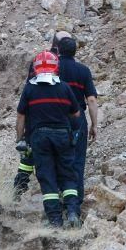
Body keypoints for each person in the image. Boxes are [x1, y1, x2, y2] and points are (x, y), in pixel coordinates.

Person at [16, 51, 82, 228]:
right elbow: (76, 113)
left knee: (47, 176)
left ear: (35, 69)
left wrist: (20, 139)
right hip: (62, 135)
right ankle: (73, 212)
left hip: (39, 137)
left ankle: (54, 220)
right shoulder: (64, 87)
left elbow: (21, 115)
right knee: (68, 174)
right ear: (56, 68)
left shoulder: (30, 88)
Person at [55, 35, 98, 203]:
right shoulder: (83, 70)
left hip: (55, 116)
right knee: (77, 160)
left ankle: (58, 196)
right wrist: (94, 125)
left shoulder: (53, 69)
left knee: (57, 157)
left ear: (58, 50)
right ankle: (75, 201)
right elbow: (92, 100)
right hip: (77, 118)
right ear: (75, 51)